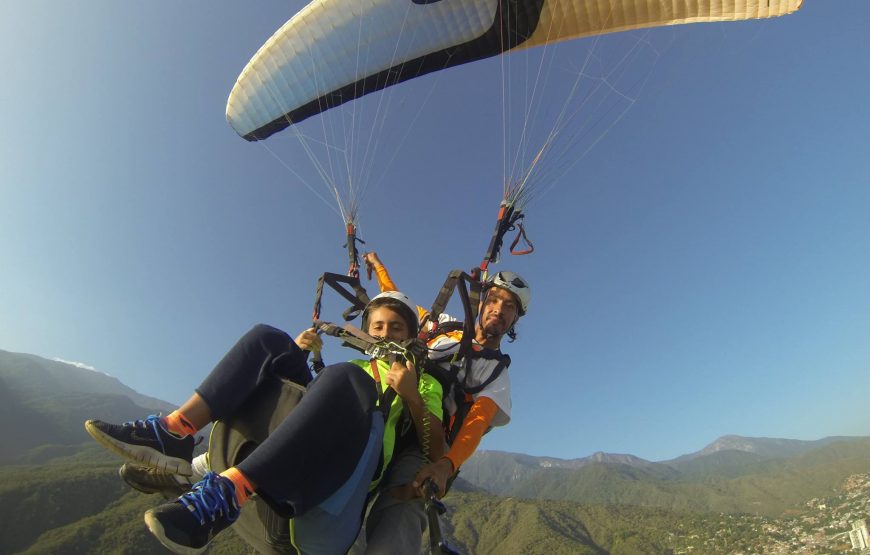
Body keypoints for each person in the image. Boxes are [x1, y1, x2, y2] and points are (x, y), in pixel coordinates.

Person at [85, 291, 444, 555]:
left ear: (409, 336)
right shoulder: (352, 371)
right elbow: (303, 408)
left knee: (347, 379)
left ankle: (228, 493)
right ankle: (175, 431)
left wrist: (412, 395)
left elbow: (435, 450)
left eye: (395, 328)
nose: (383, 333)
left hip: (343, 481)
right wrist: (300, 355)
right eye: (377, 326)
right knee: (271, 339)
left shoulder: (422, 381)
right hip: (309, 451)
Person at [360, 252, 531, 555]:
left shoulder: (496, 374)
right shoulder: (443, 325)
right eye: (493, 300)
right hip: (386, 407)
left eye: (509, 307)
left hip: (426, 443)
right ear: (480, 302)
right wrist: (377, 265)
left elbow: (477, 423)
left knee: (404, 507)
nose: (498, 310)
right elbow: (396, 301)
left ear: (515, 319)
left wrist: (446, 465)